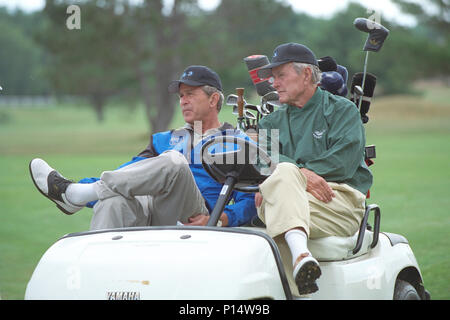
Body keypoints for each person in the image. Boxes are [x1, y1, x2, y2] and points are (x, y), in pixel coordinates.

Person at [29, 65, 257, 230]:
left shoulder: (237, 143)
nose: (183, 101)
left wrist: (222, 218)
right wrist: (83, 185)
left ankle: (74, 196)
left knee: (174, 161)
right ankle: (99, 282)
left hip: (196, 217)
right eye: (180, 96)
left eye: (190, 94)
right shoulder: (163, 139)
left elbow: (250, 201)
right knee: (112, 203)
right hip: (154, 211)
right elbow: (125, 175)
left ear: (214, 99)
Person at [255, 43, 373, 295]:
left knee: (279, 192)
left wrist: (292, 172)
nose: (274, 84)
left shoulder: (342, 110)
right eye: (273, 78)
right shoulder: (269, 122)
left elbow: (343, 162)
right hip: (296, 202)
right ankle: (301, 256)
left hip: (337, 201)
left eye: (281, 76)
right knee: (283, 175)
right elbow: (262, 160)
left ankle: (297, 265)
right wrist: (302, 175)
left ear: (307, 74)